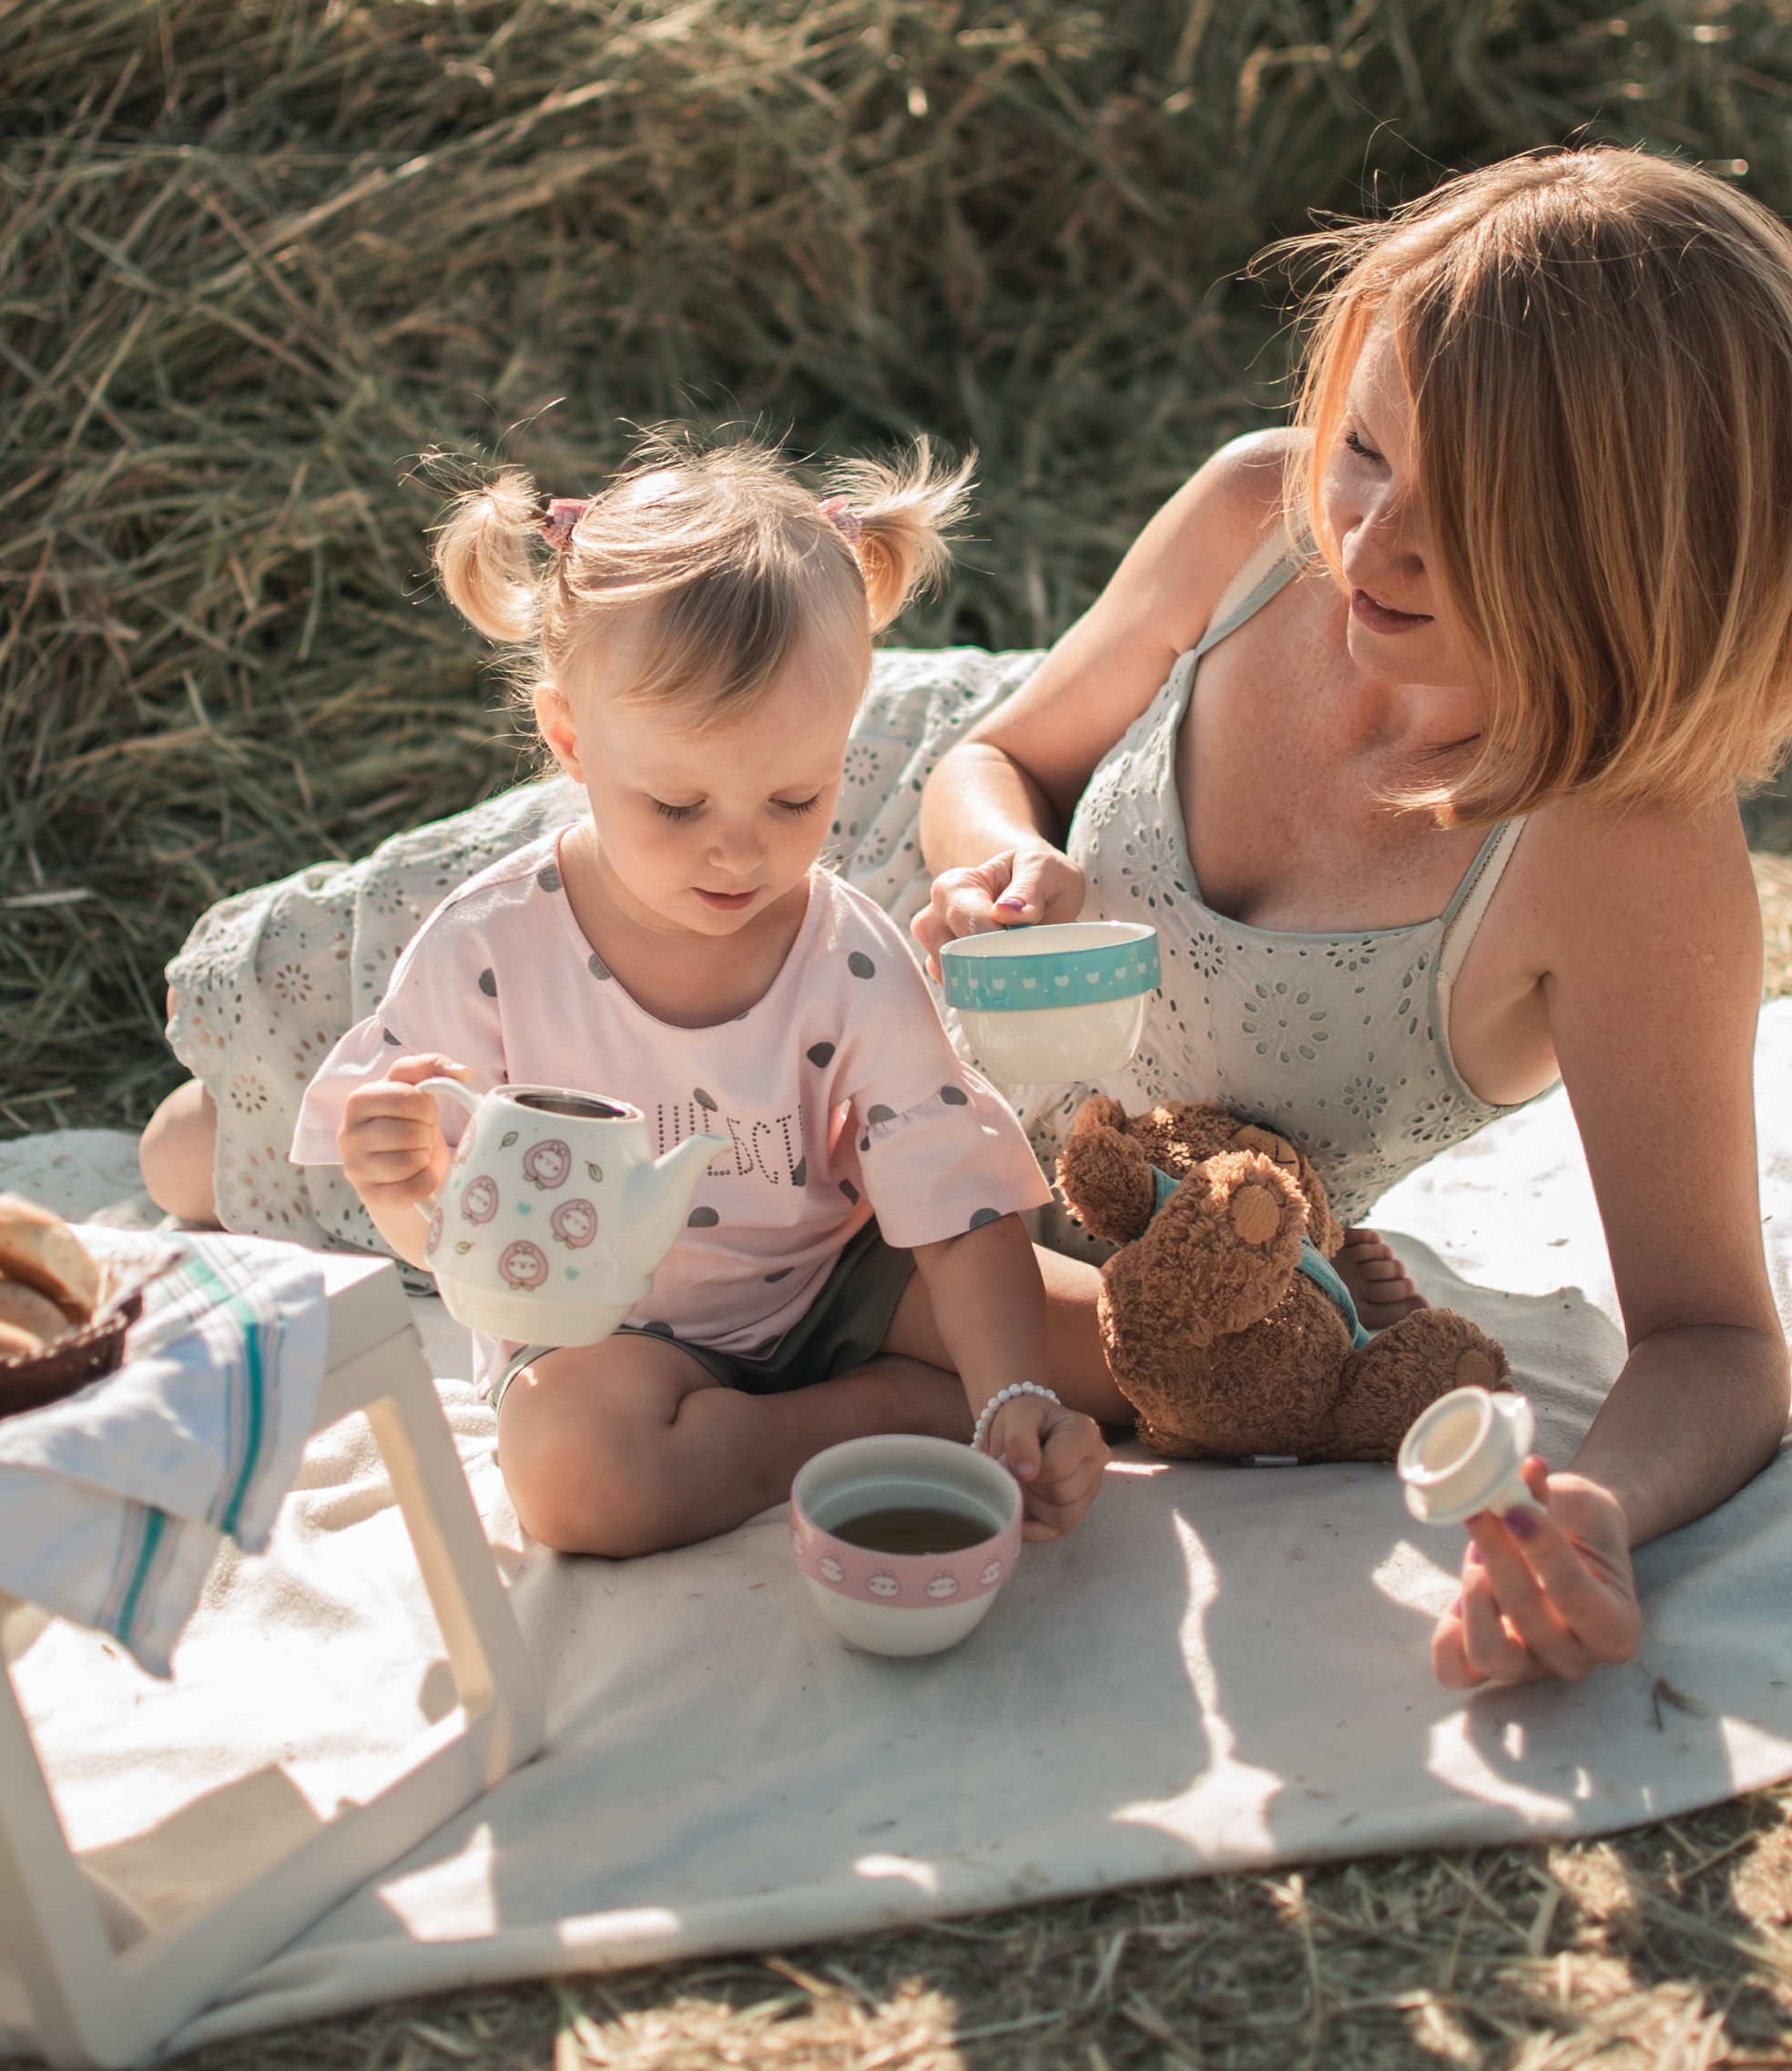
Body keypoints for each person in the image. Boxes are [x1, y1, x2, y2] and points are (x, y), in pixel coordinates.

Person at [910, 148, 1792, 1692]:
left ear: (1652, 546)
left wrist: (1591, 1507)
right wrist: (992, 860)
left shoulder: (1619, 849)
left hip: (999, 1247)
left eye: (1471, 513)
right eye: (1368, 446)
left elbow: (1716, 1339)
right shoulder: (1261, 514)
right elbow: (995, 755)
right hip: (802, 893)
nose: (1370, 543)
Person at [274, 439, 1107, 1558]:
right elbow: (450, 1236)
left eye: (796, 797)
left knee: (1131, 1353)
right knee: (577, 1480)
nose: (739, 853)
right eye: (675, 805)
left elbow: (956, 1209)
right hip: (604, 1334)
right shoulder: (492, 945)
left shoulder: (842, 953)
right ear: (571, 737)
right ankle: (890, 1415)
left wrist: (1012, 1392)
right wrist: (408, 1179)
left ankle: (992, 1388)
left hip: (838, 1286)